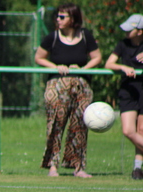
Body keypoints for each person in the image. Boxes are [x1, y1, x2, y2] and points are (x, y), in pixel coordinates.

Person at [34, 3, 102, 178]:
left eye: (62, 17)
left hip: (81, 86)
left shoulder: (85, 36)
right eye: (57, 16)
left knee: (79, 125)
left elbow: (97, 57)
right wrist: (57, 67)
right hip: (57, 86)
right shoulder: (52, 37)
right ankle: (52, 166)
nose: (58, 19)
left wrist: (83, 69)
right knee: (56, 124)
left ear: (73, 18)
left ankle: (78, 167)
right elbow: (39, 58)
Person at [104, 14, 143, 180]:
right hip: (128, 89)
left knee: (141, 130)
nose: (126, 32)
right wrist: (123, 67)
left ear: (140, 31)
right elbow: (109, 63)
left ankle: (137, 168)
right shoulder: (122, 44)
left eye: (131, 29)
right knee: (128, 131)